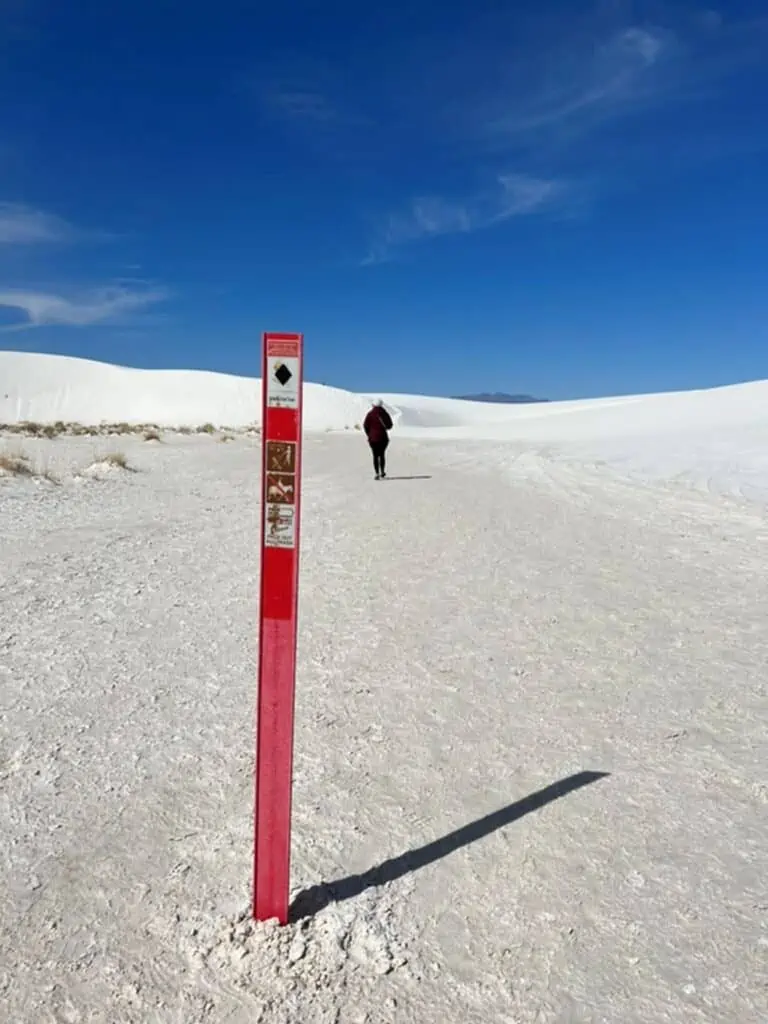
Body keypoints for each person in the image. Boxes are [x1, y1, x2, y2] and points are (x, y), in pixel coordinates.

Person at [363, 399, 393, 480]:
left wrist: (369, 434)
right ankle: (382, 472)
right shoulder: (385, 414)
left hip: (373, 439)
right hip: (383, 438)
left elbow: (365, 426)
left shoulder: (370, 414)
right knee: (382, 455)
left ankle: (377, 473)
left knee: (375, 456)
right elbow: (390, 426)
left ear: (373, 405)